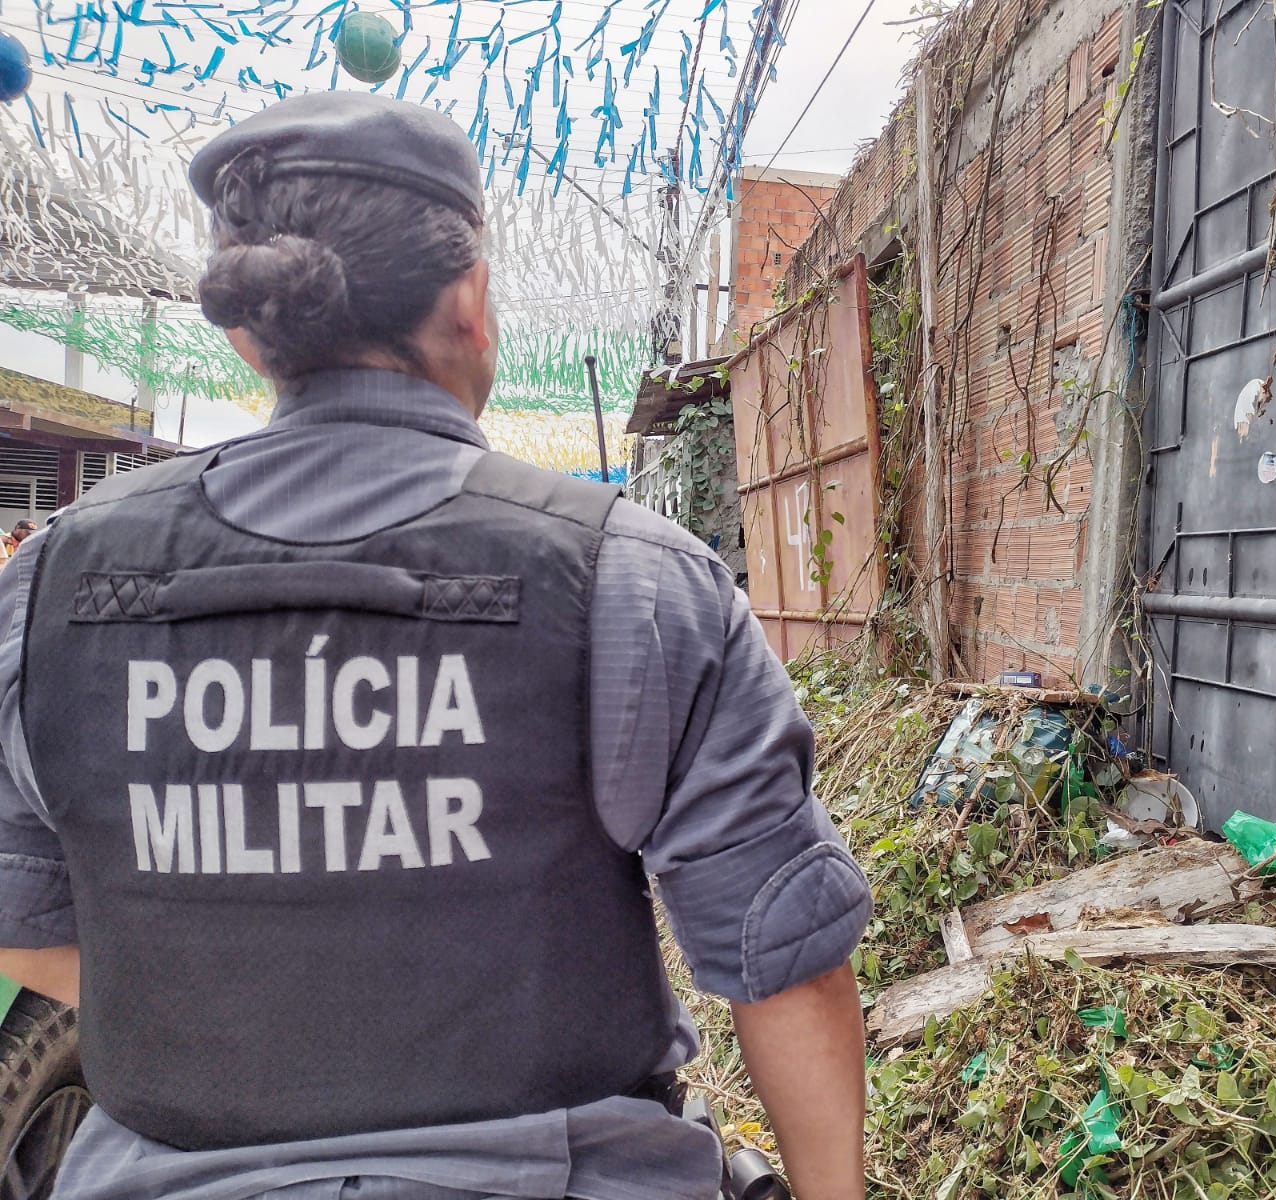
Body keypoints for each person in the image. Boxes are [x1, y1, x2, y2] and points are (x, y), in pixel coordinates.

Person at [0, 92, 871, 1200]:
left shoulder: (47, 590)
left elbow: (30, 943)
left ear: (245, 328)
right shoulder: (629, 580)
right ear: (467, 299)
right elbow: (781, 962)